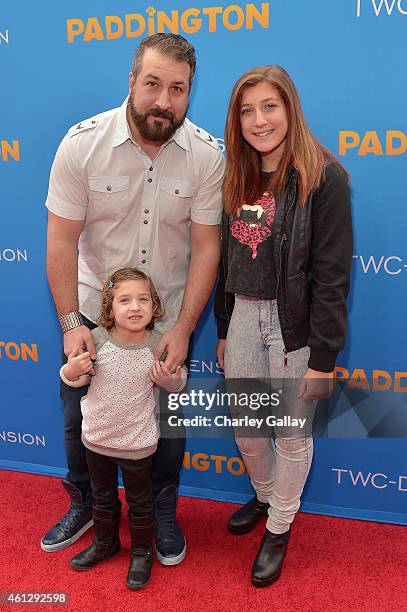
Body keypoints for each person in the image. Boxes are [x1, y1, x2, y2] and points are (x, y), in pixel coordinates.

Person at [43, 33, 224, 565]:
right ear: (131, 81)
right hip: (92, 318)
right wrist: (71, 319)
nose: (163, 101)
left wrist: (185, 326)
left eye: (178, 89)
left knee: (167, 424)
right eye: (152, 84)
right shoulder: (82, 143)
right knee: (81, 416)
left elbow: (207, 248)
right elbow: (60, 241)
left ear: (191, 93)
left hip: (166, 320)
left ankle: (162, 510)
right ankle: (85, 504)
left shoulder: (207, 157)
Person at [215, 65, 352, 587]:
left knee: (292, 434)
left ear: (290, 108)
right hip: (246, 315)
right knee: (249, 430)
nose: (259, 120)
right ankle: (269, 495)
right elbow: (229, 263)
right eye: (247, 111)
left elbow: (333, 276)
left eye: (269, 106)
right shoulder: (239, 174)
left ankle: (278, 527)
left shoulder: (325, 176)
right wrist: (225, 329)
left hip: (296, 326)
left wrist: (324, 357)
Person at [61, 268, 186, 588]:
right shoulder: (96, 341)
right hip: (97, 439)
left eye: (143, 299)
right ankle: (105, 543)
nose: (134, 307)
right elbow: (76, 378)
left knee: (141, 501)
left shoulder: (159, 345)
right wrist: (71, 370)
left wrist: (171, 381)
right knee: (102, 498)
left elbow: (177, 382)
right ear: (109, 307)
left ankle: (142, 552)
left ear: (155, 306)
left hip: (137, 443)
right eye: (125, 300)